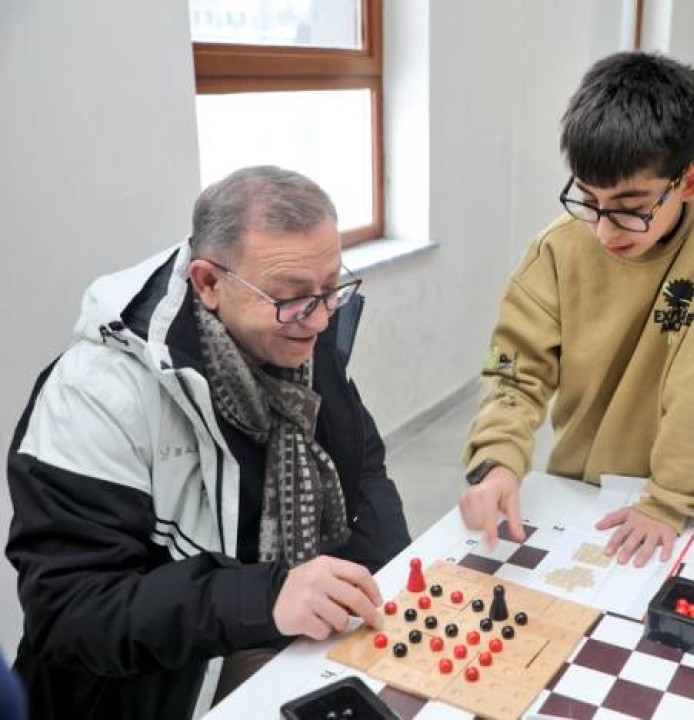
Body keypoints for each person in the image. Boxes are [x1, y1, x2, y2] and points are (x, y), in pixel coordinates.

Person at [6, 166, 411, 719]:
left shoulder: (296, 336)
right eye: (291, 297)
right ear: (208, 283)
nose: (318, 320)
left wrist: (388, 573)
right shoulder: (94, 395)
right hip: (147, 694)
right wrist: (266, 598)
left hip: (273, 642)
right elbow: (71, 609)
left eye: (331, 288)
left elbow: (361, 461)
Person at [459, 51, 694, 567]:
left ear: (691, 181)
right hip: (581, 488)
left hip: (678, 500)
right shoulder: (557, 248)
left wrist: (668, 500)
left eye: (631, 208)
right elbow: (513, 371)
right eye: (588, 200)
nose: (605, 231)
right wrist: (497, 463)